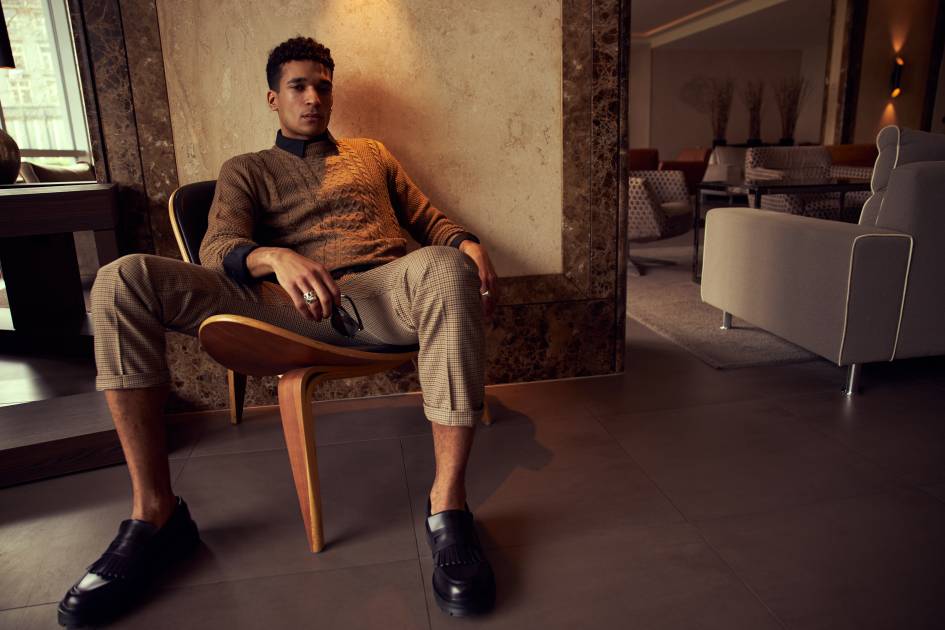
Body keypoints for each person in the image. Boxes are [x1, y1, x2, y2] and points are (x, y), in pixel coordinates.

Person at [57, 36, 499, 626]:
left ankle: (447, 506)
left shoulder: (372, 154)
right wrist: (273, 257)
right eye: (298, 86)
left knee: (446, 266)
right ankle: (154, 514)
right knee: (122, 277)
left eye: (322, 86)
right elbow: (218, 246)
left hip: (382, 293)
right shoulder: (246, 169)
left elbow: (429, 219)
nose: (313, 97)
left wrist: (466, 242)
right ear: (274, 98)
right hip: (288, 304)